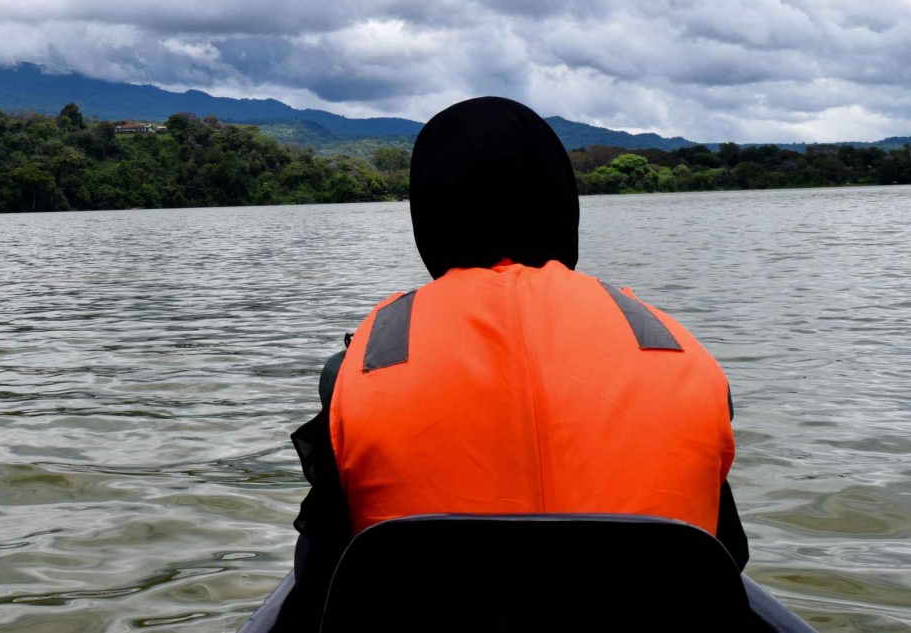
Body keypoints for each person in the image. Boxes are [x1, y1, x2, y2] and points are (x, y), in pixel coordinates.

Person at [269, 97, 748, 631]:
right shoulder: (675, 349)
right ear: (562, 203)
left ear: (430, 212)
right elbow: (728, 559)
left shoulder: (360, 366)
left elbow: (321, 582)